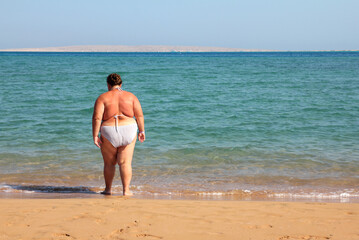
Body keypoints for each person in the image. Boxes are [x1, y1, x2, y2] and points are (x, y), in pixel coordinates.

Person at [92, 73, 145, 196]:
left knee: (109, 163)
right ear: (121, 84)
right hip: (129, 128)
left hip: (109, 130)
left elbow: (97, 118)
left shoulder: (102, 98)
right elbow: (139, 115)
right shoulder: (131, 96)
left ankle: (108, 190)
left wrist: (95, 135)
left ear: (108, 84)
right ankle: (126, 191)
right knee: (125, 163)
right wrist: (141, 131)